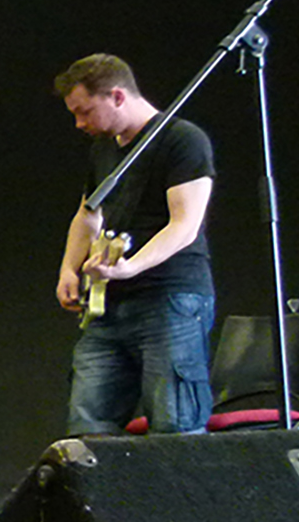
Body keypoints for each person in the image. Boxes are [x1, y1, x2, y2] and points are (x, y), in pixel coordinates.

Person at [52, 53, 216, 435]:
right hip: (109, 305)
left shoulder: (182, 140)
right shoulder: (103, 150)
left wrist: (131, 266)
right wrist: (68, 270)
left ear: (117, 96)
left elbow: (185, 226)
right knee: (88, 427)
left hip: (170, 298)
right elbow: (87, 215)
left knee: (175, 425)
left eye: (85, 111)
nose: (79, 123)